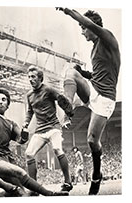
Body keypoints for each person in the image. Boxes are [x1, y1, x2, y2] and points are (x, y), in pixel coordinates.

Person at [56, 8, 120, 195]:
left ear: (92, 26)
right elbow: (97, 75)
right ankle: (67, 104)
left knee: (92, 141)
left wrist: (68, 11)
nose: (82, 32)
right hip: (94, 90)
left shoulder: (108, 38)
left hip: (106, 97)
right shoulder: (94, 48)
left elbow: (89, 23)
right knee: (71, 72)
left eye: (83, 28)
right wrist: (82, 73)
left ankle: (97, 174)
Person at [0, 88, 69, 196]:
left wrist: (24, 132)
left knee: (20, 192)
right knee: (20, 172)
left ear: (8, 105)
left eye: (4, 100)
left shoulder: (11, 124)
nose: (0, 102)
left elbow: (21, 140)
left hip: (7, 159)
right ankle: (50, 194)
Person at [23, 65, 73, 192]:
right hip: (40, 130)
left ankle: (68, 182)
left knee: (57, 148)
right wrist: (25, 123)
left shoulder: (48, 90)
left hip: (53, 127)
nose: (30, 79)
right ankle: (34, 188)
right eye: (29, 77)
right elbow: (30, 112)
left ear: (40, 78)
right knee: (29, 154)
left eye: (33, 77)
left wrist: (68, 113)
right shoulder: (29, 95)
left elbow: (61, 99)